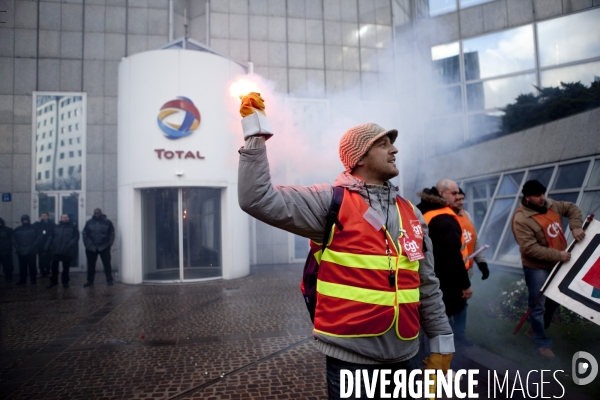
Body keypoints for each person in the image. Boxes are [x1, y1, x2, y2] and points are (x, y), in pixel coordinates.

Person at [237, 93, 454, 399]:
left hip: (406, 357)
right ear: (360, 157)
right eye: (383, 143)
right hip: (352, 362)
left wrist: (443, 342)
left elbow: (426, 284)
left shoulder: (412, 213)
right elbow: (256, 199)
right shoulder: (330, 202)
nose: (395, 149)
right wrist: (255, 132)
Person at [511, 179, 584, 358]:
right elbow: (529, 249)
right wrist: (558, 255)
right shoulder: (521, 219)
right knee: (538, 304)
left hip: (558, 264)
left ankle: (534, 331)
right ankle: (542, 344)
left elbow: (572, 208)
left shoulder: (551, 205)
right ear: (527, 197)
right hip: (536, 267)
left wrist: (575, 227)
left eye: (543, 193)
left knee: (554, 301)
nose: (542, 198)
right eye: (537, 195)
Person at [416, 179, 473, 347]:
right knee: (439, 324)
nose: (458, 196)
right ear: (442, 194)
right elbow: (451, 256)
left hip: (423, 275)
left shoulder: (422, 209)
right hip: (443, 281)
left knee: (426, 320)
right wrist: (465, 284)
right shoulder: (443, 218)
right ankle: (436, 364)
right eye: (454, 193)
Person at [448, 187, 490, 346]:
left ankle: (460, 335)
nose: (461, 202)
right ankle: (445, 336)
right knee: (446, 305)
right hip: (451, 271)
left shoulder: (468, 215)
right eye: (457, 199)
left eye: (462, 199)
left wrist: (482, 262)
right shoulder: (446, 218)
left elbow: (474, 241)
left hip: (467, 270)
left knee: (462, 303)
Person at [82, 208, 115, 287]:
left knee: (107, 264)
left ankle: (109, 279)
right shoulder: (89, 222)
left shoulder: (107, 222)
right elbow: (85, 233)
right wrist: (87, 244)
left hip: (104, 246)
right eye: (96, 213)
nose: (97, 214)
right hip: (91, 247)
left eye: (98, 213)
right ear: (94, 213)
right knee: (91, 265)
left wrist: (109, 243)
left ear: (101, 213)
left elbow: (112, 233)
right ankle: (90, 280)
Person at [46, 214, 80, 289]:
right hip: (56, 250)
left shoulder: (73, 227)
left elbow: (76, 237)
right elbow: (51, 237)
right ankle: (53, 282)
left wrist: (69, 245)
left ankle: (65, 282)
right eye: (63, 217)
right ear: (61, 219)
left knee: (66, 268)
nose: (65, 218)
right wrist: (47, 246)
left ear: (68, 218)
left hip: (67, 250)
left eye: (66, 217)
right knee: (54, 267)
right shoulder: (55, 227)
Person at [13, 214, 38, 285]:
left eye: (26, 220)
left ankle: (33, 280)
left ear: (28, 220)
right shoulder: (17, 229)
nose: (25, 221)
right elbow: (13, 239)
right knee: (22, 267)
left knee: (32, 267)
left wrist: (33, 246)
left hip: (31, 251)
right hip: (21, 251)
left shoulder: (34, 228)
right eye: (23, 220)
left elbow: (38, 238)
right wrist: (17, 247)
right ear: (21, 221)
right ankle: (22, 280)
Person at [34, 211, 55, 278]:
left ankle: (48, 271)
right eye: (42, 216)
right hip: (40, 244)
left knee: (48, 259)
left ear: (48, 216)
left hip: (49, 244)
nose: (44, 217)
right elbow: (32, 228)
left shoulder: (51, 224)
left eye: (45, 216)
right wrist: (37, 222)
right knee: (41, 259)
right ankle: (42, 272)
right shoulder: (38, 224)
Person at [0, 217, 15, 284]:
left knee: (8, 267)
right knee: (8, 266)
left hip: (6, 251)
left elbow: (12, 240)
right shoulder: (8, 230)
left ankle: (8, 278)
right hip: (6, 251)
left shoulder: (8, 230)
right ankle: (8, 278)